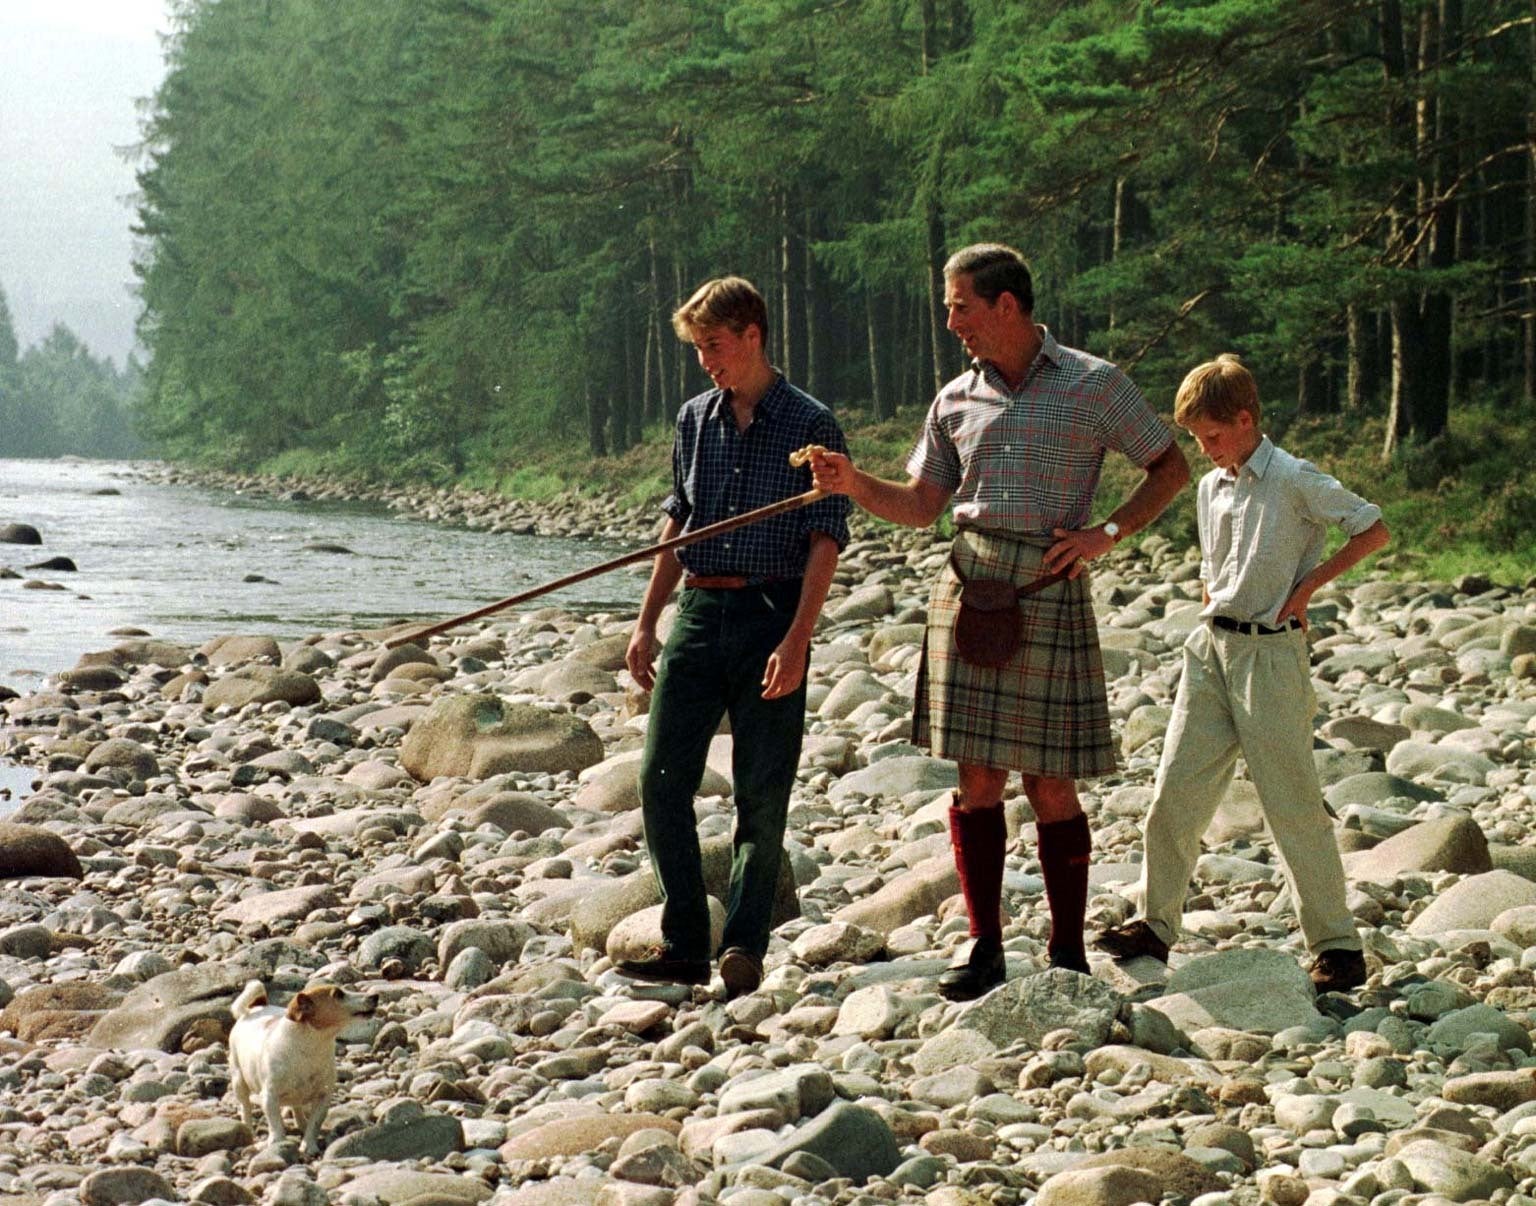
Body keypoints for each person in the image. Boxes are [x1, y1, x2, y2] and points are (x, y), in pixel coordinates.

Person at [809, 243, 1188, 999]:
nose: (951, 323)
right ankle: (984, 947)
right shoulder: (953, 399)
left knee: (1050, 783)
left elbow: (1170, 467)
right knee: (976, 777)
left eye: (960, 307)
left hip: (1049, 584)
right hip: (970, 579)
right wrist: (852, 483)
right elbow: (920, 507)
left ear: (1005, 304)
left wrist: (1105, 535)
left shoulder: (1094, 383)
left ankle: (1067, 952)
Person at [1097, 354, 1388, 993]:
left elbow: (1372, 528)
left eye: (1213, 437)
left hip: (1271, 658)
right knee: (1173, 792)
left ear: (1247, 420)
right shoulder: (1211, 487)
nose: (1203, 451)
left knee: (1292, 805)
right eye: (1197, 439)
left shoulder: (1294, 479)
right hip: (1210, 652)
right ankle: (1155, 922)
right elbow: (1216, 563)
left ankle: (1338, 945)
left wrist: (1309, 585)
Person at [620, 275, 851, 999]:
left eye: (713, 346)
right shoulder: (695, 418)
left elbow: (826, 539)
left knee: (762, 791)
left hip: (770, 615)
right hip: (698, 610)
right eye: (697, 350)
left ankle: (745, 945)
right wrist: (645, 621)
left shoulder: (811, 423)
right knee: (660, 780)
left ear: (752, 335)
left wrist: (800, 637)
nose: (706, 362)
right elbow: (678, 521)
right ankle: (686, 938)